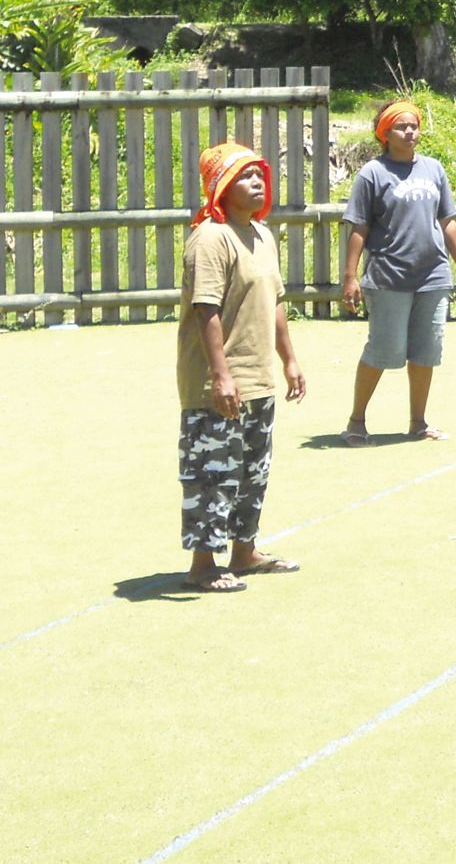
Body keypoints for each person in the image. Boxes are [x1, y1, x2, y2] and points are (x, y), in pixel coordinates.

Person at [175, 143, 306, 593]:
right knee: (212, 472)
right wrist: (221, 374)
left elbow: (276, 303)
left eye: (260, 174)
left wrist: (289, 359)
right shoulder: (211, 238)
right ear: (223, 187)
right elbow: (205, 308)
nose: (257, 182)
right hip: (218, 383)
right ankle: (203, 565)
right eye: (246, 176)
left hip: (258, 378)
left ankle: (244, 551)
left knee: (253, 469)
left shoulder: (262, 235)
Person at [340, 99, 456, 445]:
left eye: (414, 125)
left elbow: (448, 220)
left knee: (425, 351)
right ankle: (356, 421)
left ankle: (418, 422)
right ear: (385, 133)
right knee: (384, 350)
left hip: (432, 276)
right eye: (401, 126)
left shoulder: (433, 169)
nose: (410, 131)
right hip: (388, 278)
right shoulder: (373, 173)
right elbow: (359, 227)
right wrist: (350, 276)